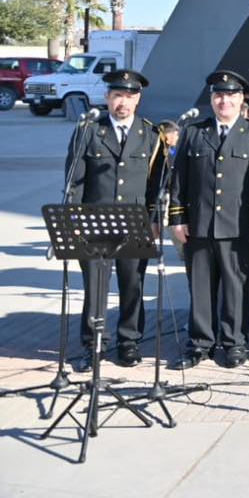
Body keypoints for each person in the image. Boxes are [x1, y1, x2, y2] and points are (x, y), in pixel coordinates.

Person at [65, 69, 165, 370]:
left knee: (132, 285)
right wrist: (74, 220)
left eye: (130, 96)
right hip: (95, 221)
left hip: (135, 222)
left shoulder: (150, 134)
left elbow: (156, 185)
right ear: (108, 97)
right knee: (95, 286)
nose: (123, 101)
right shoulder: (89, 130)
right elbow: (75, 181)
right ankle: (92, 345)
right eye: (117, 95)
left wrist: (154, 221)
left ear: (138, 99)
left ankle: (128, 343)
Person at [169, 70, 249, 369]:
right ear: (212, 100)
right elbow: (179, 181)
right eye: (218, 95)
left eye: (230, 95)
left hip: (239, 225)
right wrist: (178, 218)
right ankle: (200, 344)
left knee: (236, 287)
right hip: (199, 224)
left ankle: (235, 342)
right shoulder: (193, 132)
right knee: (200, 287)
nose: (224, 100)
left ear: (242, 100)